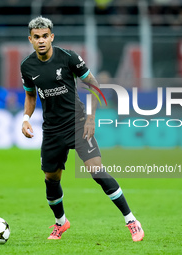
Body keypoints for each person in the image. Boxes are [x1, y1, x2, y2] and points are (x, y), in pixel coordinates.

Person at [21, 16, 144, 241]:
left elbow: (94, 85)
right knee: (51, 178)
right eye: (36, 37)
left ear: (51, 37)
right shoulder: (27, 66)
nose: (41, 41)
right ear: (31, 39)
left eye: (45, 36)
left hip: (77, 124)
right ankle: (61, 223)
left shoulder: (68, 58)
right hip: (52, 130)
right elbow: (30, 95)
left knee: (97, 171)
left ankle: (131, 220)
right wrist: (26, 118)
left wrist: (90, 118)